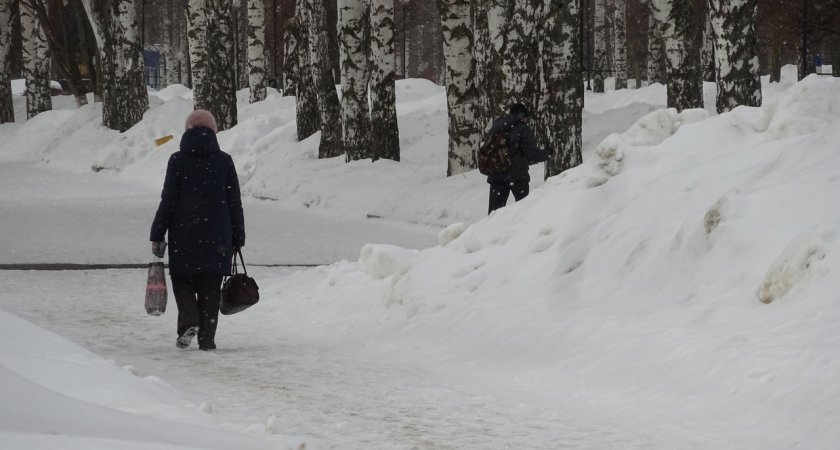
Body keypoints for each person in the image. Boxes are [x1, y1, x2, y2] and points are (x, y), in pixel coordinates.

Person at [150, 109, 245, 351]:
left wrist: (157, 232)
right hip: (218, 235)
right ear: (213, 131)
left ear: (187, 131)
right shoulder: (224, 161)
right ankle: (207, 338)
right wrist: (238, 235)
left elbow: (168, 199)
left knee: (182, 279)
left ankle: (189, 321)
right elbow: (234, 200)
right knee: (210, 285)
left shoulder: (177, 160)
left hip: (184, 232)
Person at [485, 103, 548, 214]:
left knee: (493, 215)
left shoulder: (496, 127)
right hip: (517, 176)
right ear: (522, 115)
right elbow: (532, 153)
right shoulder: (522, 129)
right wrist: (547, 153)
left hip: (496, 174)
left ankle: (490, 231)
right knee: (524, 213)